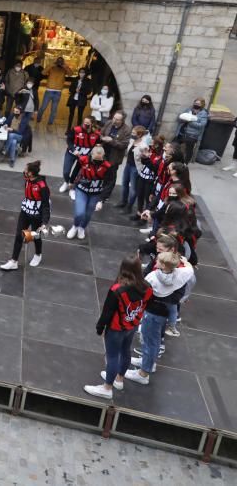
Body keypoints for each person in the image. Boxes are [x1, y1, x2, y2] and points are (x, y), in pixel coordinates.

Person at [84, 256, 153, 399]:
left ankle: (107, 388)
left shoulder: (117, 290)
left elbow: (107, 312)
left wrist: (100, 327)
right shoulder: (147, 287)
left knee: (113, 356)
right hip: (132, 325)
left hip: (116, 328)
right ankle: (119, 379)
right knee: (125, 351)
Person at [125, 252, 193, 386]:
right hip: (164, 313)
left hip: (152, 313)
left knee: (150, 341)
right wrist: (185, 262)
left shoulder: (153, 277)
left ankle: (143, 373)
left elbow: (141, 290)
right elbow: (189, 269)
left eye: (158, 261)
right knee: (155, 341)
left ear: (163, 265)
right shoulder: (181, 274)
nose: (155, 262)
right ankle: (147, 361)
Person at [1, 161, 51, 271]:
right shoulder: (27, 178)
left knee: (36, 236)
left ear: (31, 173)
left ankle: (38, 254)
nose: (24, 170)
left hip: (36, 215)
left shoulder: (42, 187)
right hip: (25, 212)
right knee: (19, 235)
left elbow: (46, 205)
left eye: (26, 169)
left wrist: (44, 223)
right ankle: (14, 261)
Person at [67, 145, 113, 240]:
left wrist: (101, 200)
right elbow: (76, 170)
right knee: (80, 213)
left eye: (99, 159)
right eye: (95, 159)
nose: (97, 162)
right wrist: (71, 182)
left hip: (96, 193)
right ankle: (75, 226)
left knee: (88, 214)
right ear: (91, 154)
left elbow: (110, 183)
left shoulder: (108, 166)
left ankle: (82, 228)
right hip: (81, 189)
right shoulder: (83, 160)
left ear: (103, 156)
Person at [59, 117, 99, 193]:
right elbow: (69, 140)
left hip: (84, 156)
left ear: (92, 124)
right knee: (66, 172)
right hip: (71, 153)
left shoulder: (96, 134)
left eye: (87, 123)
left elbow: (98, 145)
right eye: (84, 122)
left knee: (76, 172)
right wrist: (74, 150)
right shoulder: (76, 129)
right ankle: (66, 182)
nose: (85, 125)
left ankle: (71, 186)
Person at [99, 111, 130, 199]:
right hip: (104, 153)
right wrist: (102, 138)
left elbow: (124, 145)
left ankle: (106, 195)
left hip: (114, 157)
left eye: (117, 119)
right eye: (114, 118)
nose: (114, 120)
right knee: (103, 172)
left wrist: (111, 141)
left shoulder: (126, 130)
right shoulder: (109, 123)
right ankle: (102, 188)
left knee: (111, 176)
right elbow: (101, 133)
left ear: (122, 121)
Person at [175, 98, 208, 163]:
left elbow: (201, 125)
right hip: (182, 132)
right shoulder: (189, 109)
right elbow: (180, 118)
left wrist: (190, 121)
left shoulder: (203, 114)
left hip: (192, 135)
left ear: (202, 105)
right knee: (174, 146)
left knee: (188, 151)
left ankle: (185, 164)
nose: (196, 104)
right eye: (195, 103)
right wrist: (182, 119)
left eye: (198, 104)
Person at [37, 57, 68, 125]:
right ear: (56, 61)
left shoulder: (64, 69)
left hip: (58, 91)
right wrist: (51, 65)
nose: (59, 62)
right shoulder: (51, 67)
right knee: (43, 106)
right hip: (49, 90)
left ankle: (50, 122)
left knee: (54, 109)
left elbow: (70, 74)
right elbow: (43, 72)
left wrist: (66, 66)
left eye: (61, 61)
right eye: (58, 61)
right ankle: (39, 118)